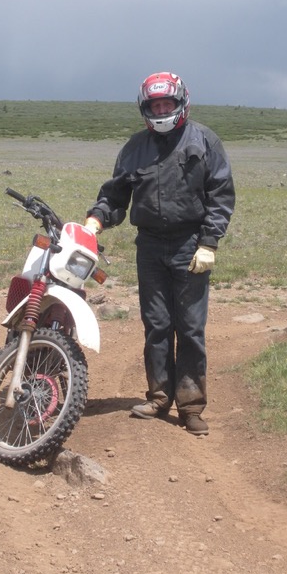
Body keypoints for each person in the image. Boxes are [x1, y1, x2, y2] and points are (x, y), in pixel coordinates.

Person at [85, 72, 235, 436]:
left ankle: (192, 406)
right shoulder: (135, 147)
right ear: (146, 108)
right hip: (149, 245)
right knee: (157, 325)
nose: (162, 110)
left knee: (190, 327)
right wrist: (96, 220)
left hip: (190, 244)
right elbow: (115, 196)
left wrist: (209, 242)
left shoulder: (204, 140)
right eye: (156, 105)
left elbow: (221, 193)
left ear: (181, 103)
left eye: (167, 104)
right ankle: (158, 396)